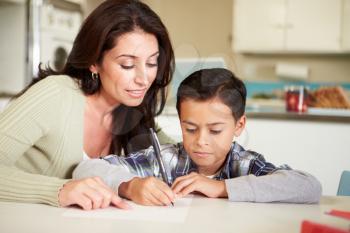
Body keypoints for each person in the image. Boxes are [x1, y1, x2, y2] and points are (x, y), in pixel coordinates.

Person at [0, 0, 175, 210]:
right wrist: (60, 190)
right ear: (94, 62)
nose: (144, 78)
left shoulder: (132, 109)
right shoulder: (56, 94)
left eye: (151, 63)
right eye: (127, 64)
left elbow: (183, 155)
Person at [73, 68, 322, 206]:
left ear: (239, 125)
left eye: (215, 130)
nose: (201, 141)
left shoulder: (244, 164)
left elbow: (310, 187)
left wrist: (222, 188)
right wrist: (130, 185)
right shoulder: (167, 160)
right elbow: (85, 168)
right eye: (190, 128)